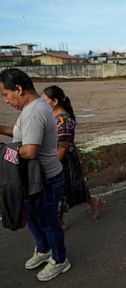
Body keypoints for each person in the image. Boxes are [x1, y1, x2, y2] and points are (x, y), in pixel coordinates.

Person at [0, 69, 71, 281]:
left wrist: (4, 151)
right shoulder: (35, 107)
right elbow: (23, 134)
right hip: (33, 178)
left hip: (45, 179)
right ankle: (44, 249)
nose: (5, 100)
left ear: (19, 89)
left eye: (5, 94)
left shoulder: (33, 112)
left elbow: (30, 151)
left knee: (48, 222)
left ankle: (60, 260)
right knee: (31, 216)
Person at [42, 85, 102, 229]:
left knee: (71, 187)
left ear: (54, 101)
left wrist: (51, 166)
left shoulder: (64, 121)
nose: (41, 104)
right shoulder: (51, 116)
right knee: (63, 189)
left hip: (64, 159)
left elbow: (62, 148)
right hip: (55, 156)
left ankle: (93, 201)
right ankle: (60, 219)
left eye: (44, 101)